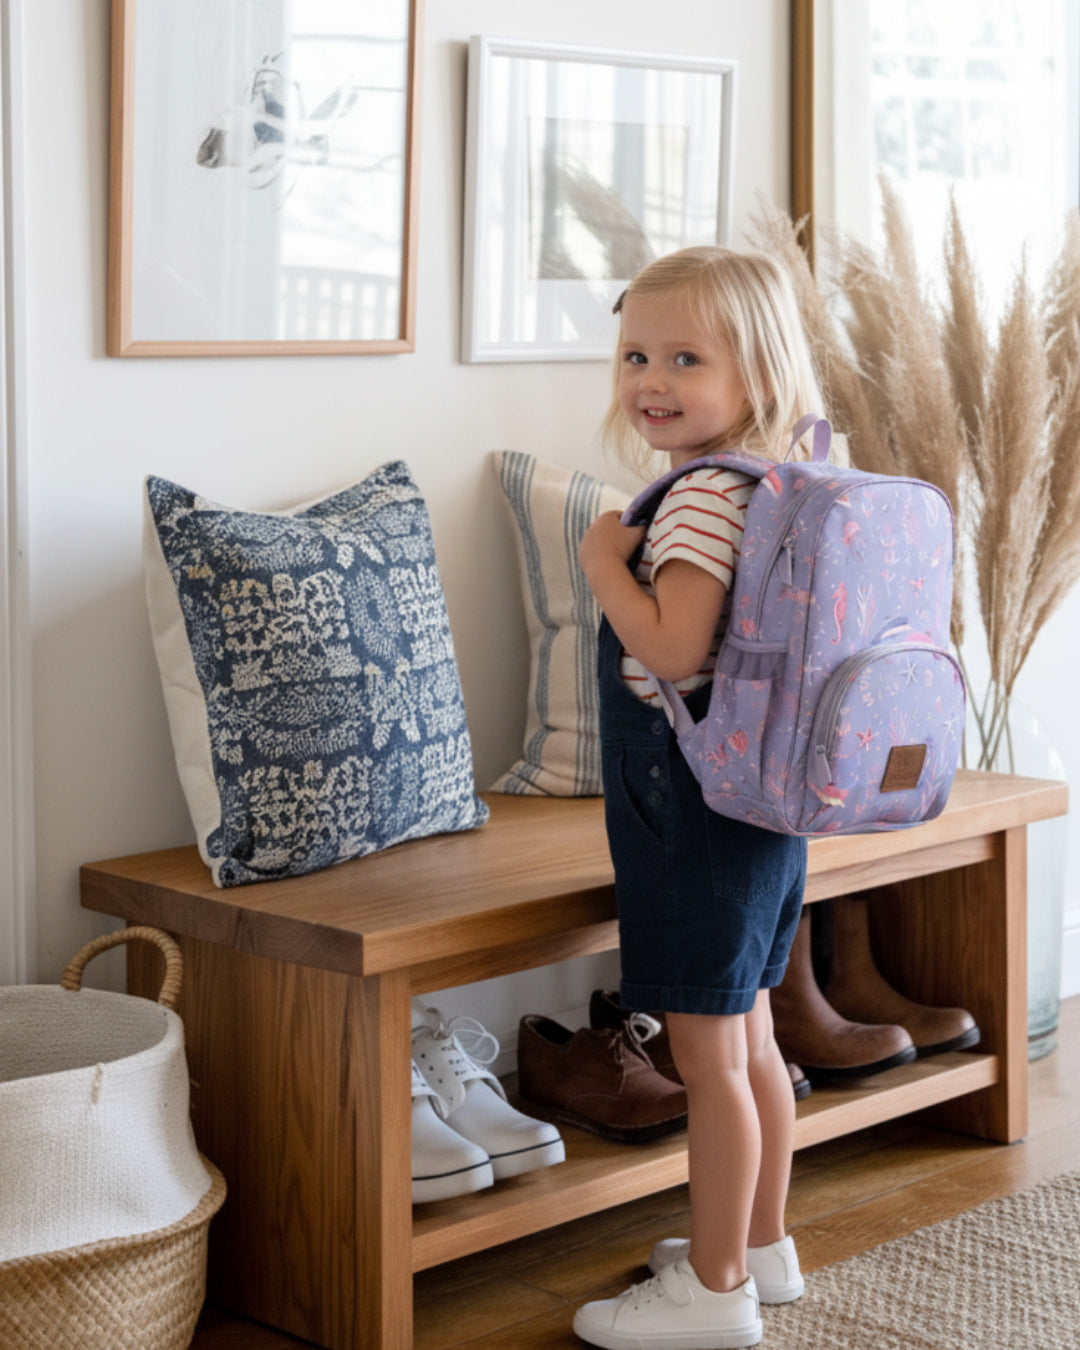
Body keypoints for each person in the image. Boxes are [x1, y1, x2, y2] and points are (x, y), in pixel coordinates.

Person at [573, 245, 825, 1350]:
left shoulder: (698, 504)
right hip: (762, 799)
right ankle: (760, 1247)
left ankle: (713, 1293)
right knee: (751, 1035)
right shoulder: (774, 478)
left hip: (692, 804)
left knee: (706, 1055)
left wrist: (601, 567)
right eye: (636, 353)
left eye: (685, 357)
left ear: (756, 379)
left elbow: (673, 649)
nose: (651, 378)